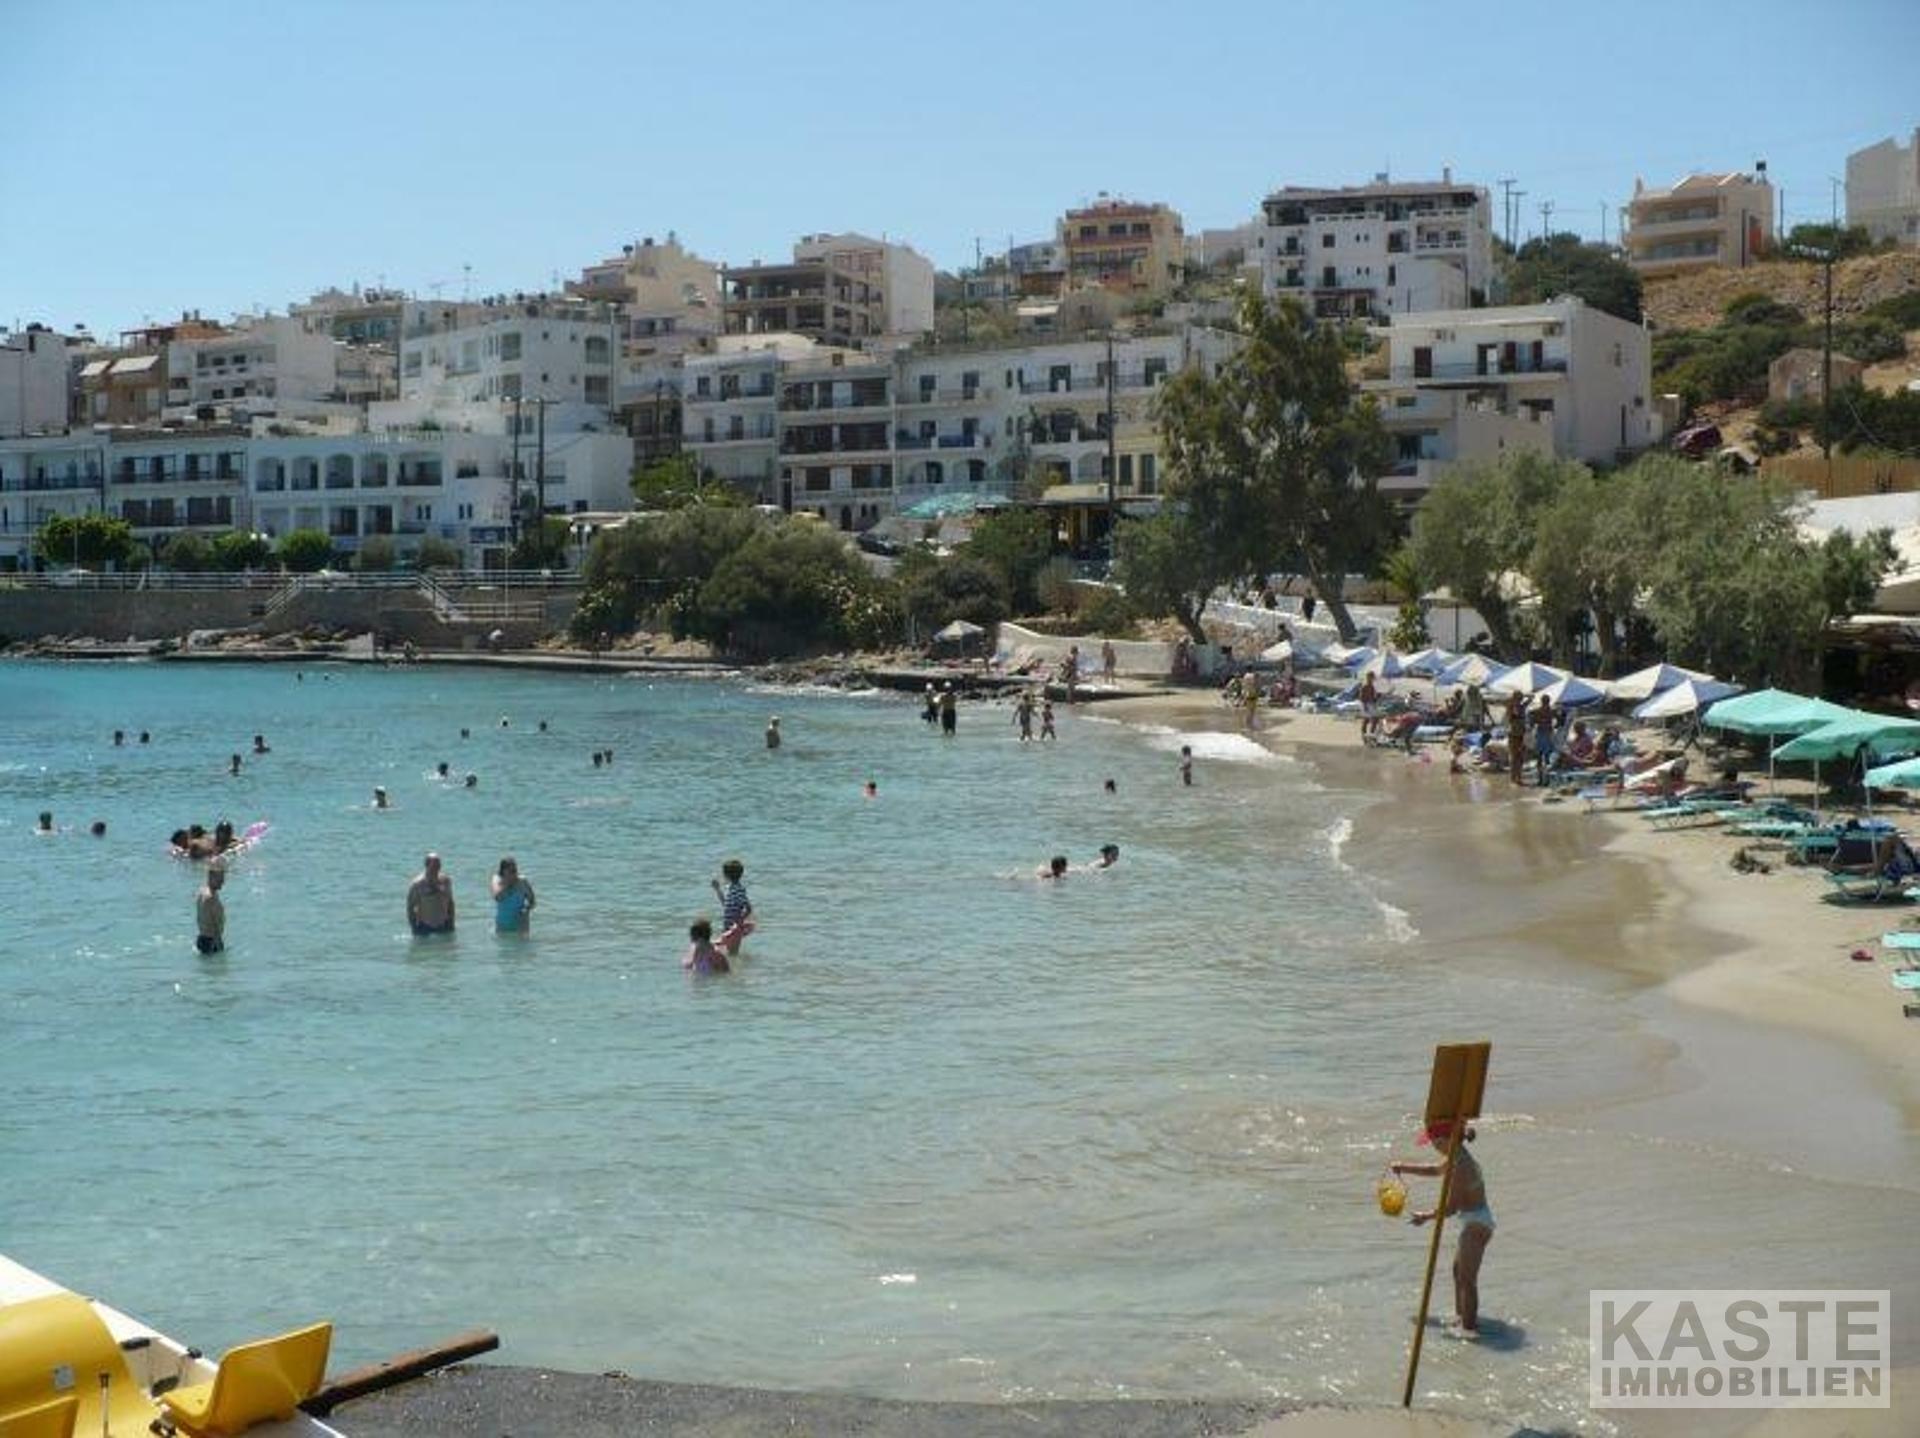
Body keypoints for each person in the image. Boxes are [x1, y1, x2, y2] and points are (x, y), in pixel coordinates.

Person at [1390, 1122, 1493, 1335]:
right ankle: (1461, 1318)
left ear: (1445, 1140)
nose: (1433, 1146)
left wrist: (1425, 1216)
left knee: (1467, 1280)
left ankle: (1470, 1330)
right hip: (1473, 1220)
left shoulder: (1460, 1166)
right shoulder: (1457, 1157)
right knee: (1458, 1273)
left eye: (1434, 1142)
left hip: (1477, 1223)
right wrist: (1403, 1167)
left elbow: (1451, 1208)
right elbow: (1435, 1170)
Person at [712, 858, 754, 955]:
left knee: (731, 952)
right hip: (728, 926)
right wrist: (717, 889)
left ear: (726, 875)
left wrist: (739, 922)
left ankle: (735, 964)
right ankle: (736, 964)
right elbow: (725, 904)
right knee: (730, 953)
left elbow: (748, 908)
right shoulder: (730, 888)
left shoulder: (738, 889)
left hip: (735, 928)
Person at [407, 853, 456, 936]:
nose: (437, 868)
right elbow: (410, 907)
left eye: (438, 865)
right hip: (425, 927)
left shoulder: (445, 881)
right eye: (434, 866)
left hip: (444, 925)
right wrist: (414, 927)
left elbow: (451, 903)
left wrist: (451, 922)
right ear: (426, 865)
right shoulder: (417, 884)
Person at [490, 857, 536, 934]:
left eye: (515, 870)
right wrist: (508, 884)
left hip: (521, 925)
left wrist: (526, 909)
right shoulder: (497, 880)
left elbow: (532, 901)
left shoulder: (522, 882)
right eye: (511, 871)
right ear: (503, 871)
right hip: (502, 925)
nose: (514, 874)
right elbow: (497, 897)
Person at [196, 865, 227, 955]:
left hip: (201, 938)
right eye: (219, 879)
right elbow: (216, 922)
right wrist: (218, 942)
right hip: (212, 941)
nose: (222, 882)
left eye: (222, 879)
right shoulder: (211, 898)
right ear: (211, 877)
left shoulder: (201, 891)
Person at [1531, 694, 1556, 786]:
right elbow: (1560, 719)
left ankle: (1541, 779)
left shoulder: (1537, 711)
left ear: (1541, 701)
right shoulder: (1552, 711)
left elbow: (1532, 722)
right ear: (1549, 701)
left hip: (1540, 734)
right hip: (1548, 734)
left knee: (1539, 759)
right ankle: (1547, 779)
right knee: (1547, 759)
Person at [1504, 691, 1527, 785]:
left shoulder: (1519, 707)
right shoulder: (1512, 707)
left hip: (1519, 734)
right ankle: (1515, 778)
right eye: (1519, 698)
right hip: (1514, 734)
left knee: (1519, 757)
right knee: (1515, 756)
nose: (1520, 700)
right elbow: (1514, 715)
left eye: (1520, 698)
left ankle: (1517, 777)